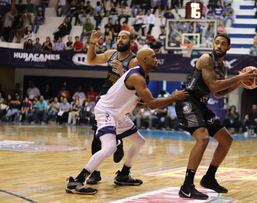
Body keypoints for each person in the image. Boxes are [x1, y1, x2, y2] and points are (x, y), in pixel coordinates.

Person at [66, 48, 189, 194]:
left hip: (118, 114)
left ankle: (123, 174)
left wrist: (146, 104)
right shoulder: (137, 76)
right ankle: (77, 181)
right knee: (110, 147)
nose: (156, 59)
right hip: (106, 111)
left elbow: (132, 100)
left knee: (139, 141)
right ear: (144, 60)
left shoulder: (140, 75)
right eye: (153, 57)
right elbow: (152, 103)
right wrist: (174, 97)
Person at [175, 33, 257, 200]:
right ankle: (186, 186)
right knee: (203, 138)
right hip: (187, 101)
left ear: (228, 48)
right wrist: (241, 77)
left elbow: (219, 94)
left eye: (223, 44)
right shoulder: (206, 59)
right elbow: (213, 86)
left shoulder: (222, 67)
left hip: (201, 105)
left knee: (226, 139)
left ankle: (209, 178)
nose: (219, 46)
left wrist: (238, 83)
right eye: (217, 43)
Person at [85, 30, 139, 185]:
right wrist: (92, 43)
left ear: (131, 42)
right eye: (118, 37)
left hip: (121, 103)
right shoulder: (111, 54)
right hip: (105, 98)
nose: (120, 39)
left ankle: (118, 140)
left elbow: (134, 85)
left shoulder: (134, 61)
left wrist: (123, 72)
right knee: (96, 136)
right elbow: (91, 60)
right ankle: (95, 173)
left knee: (118, 140)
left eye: (124, 37)